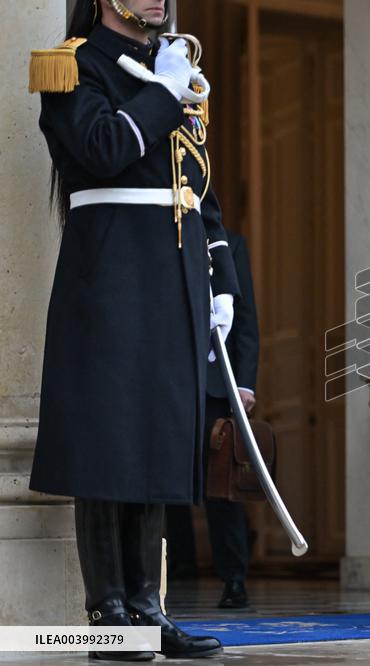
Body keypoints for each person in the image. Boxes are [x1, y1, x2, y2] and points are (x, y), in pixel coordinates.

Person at [28, 0, 239, 659]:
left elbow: (196, 186)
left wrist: (221, 280)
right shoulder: (74, 67)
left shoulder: (171, 67)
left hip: (173, 274)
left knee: (158, 443)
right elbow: (104, 149)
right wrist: (163, 93)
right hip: (110, 274)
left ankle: (149, 609)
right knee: (107, 443)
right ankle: (110, 617)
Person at [166, 230, 259, 610]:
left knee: (222, 490)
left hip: (218, 386)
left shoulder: (231, 244)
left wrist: (245, 383)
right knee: (165, 484)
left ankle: (234, 579)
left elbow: (247, 318)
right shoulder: (161, 232)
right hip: (170, 381)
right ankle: (172, 568)